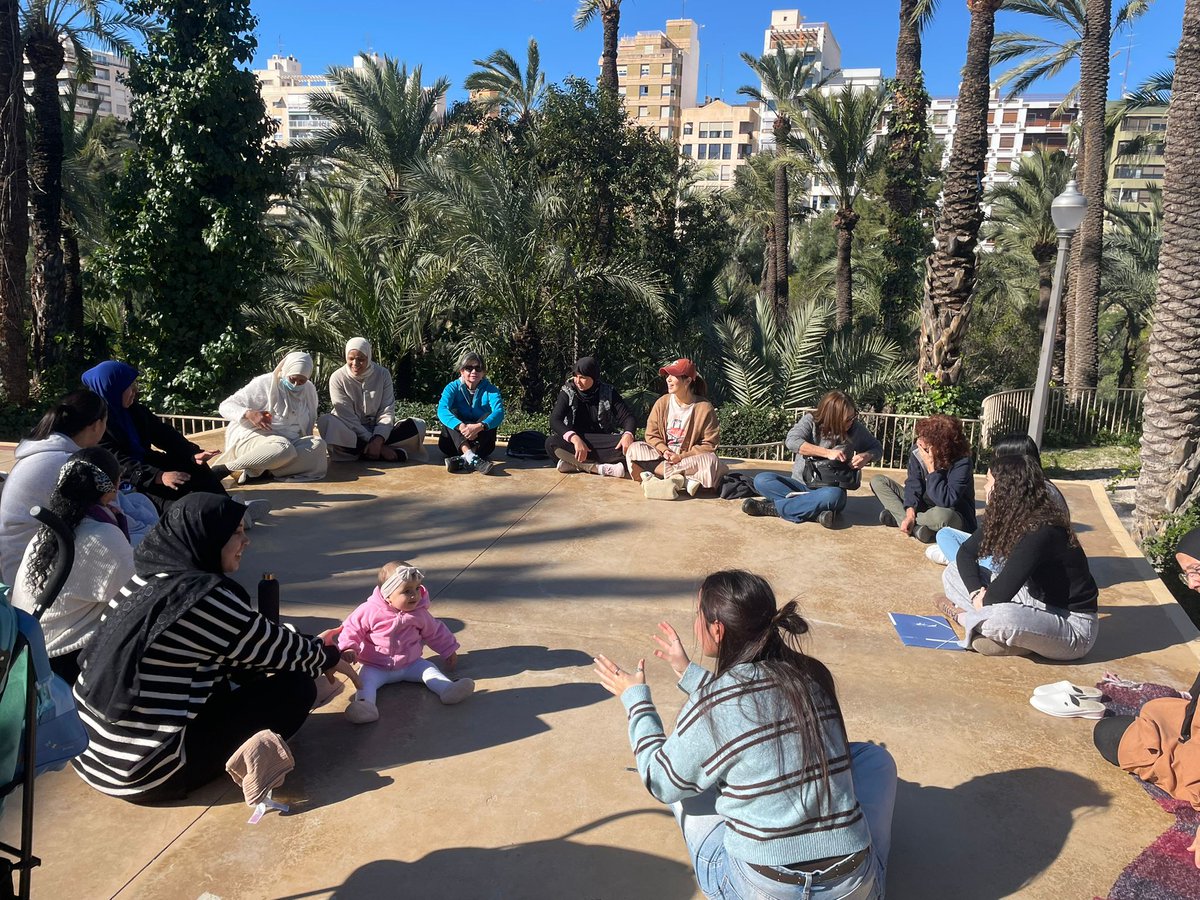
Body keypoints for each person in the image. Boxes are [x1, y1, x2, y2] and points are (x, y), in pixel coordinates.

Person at [593, 570, 896, 900]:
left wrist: (635, 698)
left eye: (699, 615)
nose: (695, 623)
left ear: (717, 630)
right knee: (872, 758)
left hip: (764, 887)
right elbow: (755, 709)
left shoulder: (716, 702)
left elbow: (660, 780)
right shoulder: (811, 675)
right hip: (851, 884)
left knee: (688, 784)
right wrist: (689, 673)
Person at [71, 493, 353, 801]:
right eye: (235, 533)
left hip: (93, 755)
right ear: (206, 537)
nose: (246, 541)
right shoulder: (201, 598)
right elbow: (280, 651)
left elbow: (248, 640)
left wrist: (305, 646)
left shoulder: (146, 580)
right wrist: (326, 655)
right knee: (295, 689)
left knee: (241, 667)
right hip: (148, 772)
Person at [936, 455, 1099, 659]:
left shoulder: (1042, 530)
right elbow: (966, 554)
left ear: (1005, 488)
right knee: (952, 573)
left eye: (989, 482)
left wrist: (983, 601)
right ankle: (1020, 639)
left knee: (1002, 617)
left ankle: (963, 618)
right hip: (1033, 602)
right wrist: (975, 592)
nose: (985, 488)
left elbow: (997, 597)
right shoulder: (1007, 516)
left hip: (1072, 626)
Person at [11, 448, 135, 683]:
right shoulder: (103, 535)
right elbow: (135, 595)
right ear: (114, 487)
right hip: (60, 662)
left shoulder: (51, 527)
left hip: (29, 647)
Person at [337, 561, 474, 724]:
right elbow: (352, 628)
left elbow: (435, 631)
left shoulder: (419, 614)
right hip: (375, 665)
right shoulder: (369, 611)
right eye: (407, 591)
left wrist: (448, 648)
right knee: (365, 683)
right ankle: (365, 706)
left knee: (429, 670)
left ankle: (447, 688)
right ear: (387, 595)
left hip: (411, 663)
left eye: (417, 589)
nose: (414, 595)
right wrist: (348, 647)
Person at [81, 361, 228, 510]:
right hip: (127, 480)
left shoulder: (134, 411)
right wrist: (158, 476)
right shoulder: (97, 425)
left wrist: (192, 453)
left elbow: (163, 433)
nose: (134, 391)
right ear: (113, 390)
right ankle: (206, 517)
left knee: (196, 468)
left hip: (148, 463)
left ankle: (230, 509)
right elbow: (117, 461)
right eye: (129, 387)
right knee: (173, 500)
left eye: (134, 385)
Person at [0, 390, 108, 586]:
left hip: (20, 561)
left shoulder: (44, 454)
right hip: (31, 575)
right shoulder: (65, 463)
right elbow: (105, 514)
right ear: (97, 425)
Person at [744, 391, 883, 529]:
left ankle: (772, 508)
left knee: (835, 496)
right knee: (761, 480)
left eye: (853, 416)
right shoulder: (811, 421)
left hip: (828, 490)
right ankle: (815, 514)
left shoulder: (855, 429)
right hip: (798, 485)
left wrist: (867, 456)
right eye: (847, 419)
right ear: (832, 417)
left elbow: (876, 448)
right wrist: (827, 453)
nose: (851, 422)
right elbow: (792, 441)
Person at [928, 433, 1070, 566]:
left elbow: (1009, 540)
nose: (994, 465)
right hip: (1006, 550)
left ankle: (963, 563)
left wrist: (993, 496)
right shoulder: (1027, 486)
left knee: (950, 551)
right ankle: (961, 560)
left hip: (1020, 561)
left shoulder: (1034, 492)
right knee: (945, 535)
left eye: (998, 460)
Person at [218, 351, 328, 483]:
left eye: (301, 381)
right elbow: (225, 406)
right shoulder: (265, 383)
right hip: (255, 439)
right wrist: (249, 414)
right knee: (283, 447)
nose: (295, 385)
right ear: (286, 371)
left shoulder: (309, 391)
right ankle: (227, 469)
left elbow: (308, 426)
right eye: (292, 379)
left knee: (318, 446)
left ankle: (262, 470)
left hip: (289, 446)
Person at [317, 337, 427, 464]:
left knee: (418, 425)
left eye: (361, 359)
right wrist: (373, 442)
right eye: (351, 359)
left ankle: (363, 452)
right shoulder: (337, 378)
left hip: (380, 432)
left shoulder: (383, 374)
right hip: (351, 431)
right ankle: (382, 452)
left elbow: (387, 410)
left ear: (368, 357)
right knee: (326, 422)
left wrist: (378, 438)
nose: (355, 364)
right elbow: (346, 416)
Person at [871, 414, 976, 544]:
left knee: (943, 516)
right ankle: (914, 526)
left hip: (952, 513)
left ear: (941, 445)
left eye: (924, 439)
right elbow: (913, 483)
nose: (919, 442)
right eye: (919, 436)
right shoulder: (918, 450)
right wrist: (910, 512)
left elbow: (946, 500)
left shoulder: (962, 462)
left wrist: (932, 469)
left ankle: (897, 517)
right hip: (924, 507)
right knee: (878, 481)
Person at [625, 359, 724, 495]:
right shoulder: (662, 402)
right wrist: (664, 450)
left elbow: (709, 444)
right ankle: (681, 480)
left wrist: (682, 457)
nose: (668, 380)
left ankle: (657, 479)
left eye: (673, 376)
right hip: (662, 458)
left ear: (688, 381)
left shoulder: (704, 408)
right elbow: (651, 435)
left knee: (711, 460)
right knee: (634, 448)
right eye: (667, 375)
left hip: (687, 461)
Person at [546, 356, 636, 478]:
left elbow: (628, 417)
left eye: (582, 377)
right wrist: (575, 439)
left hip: (600, 440)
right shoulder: (568, 391)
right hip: (576, 441)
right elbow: (555, 420)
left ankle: (576, 465)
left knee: (632, 446)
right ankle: (600, 468)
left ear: (593, 377)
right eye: (575, 376)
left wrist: (628, 434)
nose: (577, 381)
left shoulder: (608, 392)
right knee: (552, 442)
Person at [437, 351, 504, 475]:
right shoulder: (452, 388)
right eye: (469, 368)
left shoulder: (491, 390)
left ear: (483, 372)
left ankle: (465, 458)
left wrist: (480, 426)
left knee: (489, 415)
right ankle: (470, 455)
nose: (474, 372)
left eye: (478, 368)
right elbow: (441, 410)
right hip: (451, 444)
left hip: (482, 445)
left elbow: (499, 412)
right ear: (462, 371)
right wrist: (461, 426)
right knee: (452, 412)